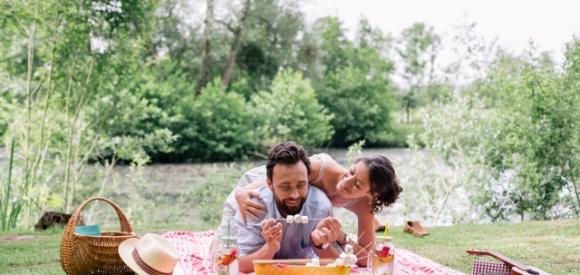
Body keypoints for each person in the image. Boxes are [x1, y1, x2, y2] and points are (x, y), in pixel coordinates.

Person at [218, 148, 402, 266]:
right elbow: (285, 177)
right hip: (266, 183)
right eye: (351, 172)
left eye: (358, 184)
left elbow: (367, 258)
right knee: (225, 249)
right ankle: (218, 241)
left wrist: (341, 236)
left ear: (370, 194)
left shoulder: (364, 206)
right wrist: (240, 192)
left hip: (300, 204)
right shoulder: (319, 168)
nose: (347, 182)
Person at [235, 142, 345, 273]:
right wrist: (269, 248)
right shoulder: (254, 206)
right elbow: (239, 265)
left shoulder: (321, 206)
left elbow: (337, 264)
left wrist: (320, 245)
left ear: (308, 180)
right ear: (270, 184)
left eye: (301, 185)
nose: (294, 195)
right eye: (285, 187)